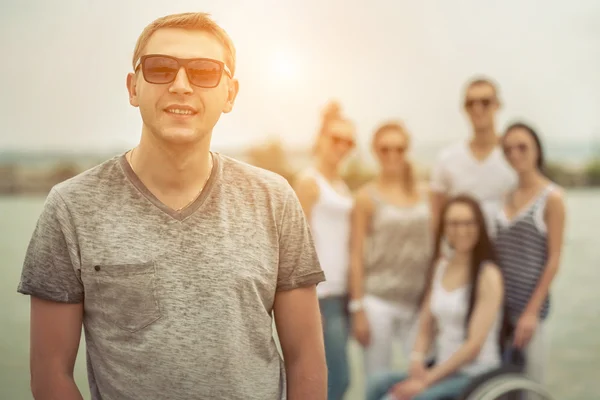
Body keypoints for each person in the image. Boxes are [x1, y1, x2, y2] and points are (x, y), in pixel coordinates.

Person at [17, 12, 327, 400]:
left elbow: (307, 361)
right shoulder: (72, 207)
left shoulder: (274, 199)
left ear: (230, 93)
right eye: (160, 68)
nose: (181, 85)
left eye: (204, 72)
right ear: (133, 88)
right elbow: (50, 374)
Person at [366, 195, 505, 400]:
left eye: (468, 223)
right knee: (377, 383)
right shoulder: (441, 268)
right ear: (445, 228)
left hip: (473, 373)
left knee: (418, 398)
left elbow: (474, 346)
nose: (461, 230)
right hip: (439, 367)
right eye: (454, 223)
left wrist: (426, 381)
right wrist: (417, 360)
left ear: (479, 226)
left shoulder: (488, 274)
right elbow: (425, 326)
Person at [348, 122, 432, 379]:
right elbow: (355, 255)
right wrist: (358, 309)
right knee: (377, 381)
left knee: (422, 381)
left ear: (407, 150)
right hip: (378, 302)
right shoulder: (366, 197)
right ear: (375, 151)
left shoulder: (426, 194)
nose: (392, 155)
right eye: (385, 149)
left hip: (418, 304)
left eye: (399, 148)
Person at [495, 122, 566, 391]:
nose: (515, 154)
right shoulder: (505, 196)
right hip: (500, 312)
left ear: (537, 149)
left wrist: (531, 312)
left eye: (522, 147)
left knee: (532, 388)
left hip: (529, 314)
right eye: (508, 149)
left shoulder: (552, 198)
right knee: (503, 387)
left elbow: (554, 259)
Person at [293, 101, 355, 400]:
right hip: (322, 297)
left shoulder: (341, 184)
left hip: (343, 294)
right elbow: (294, 243)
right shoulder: (309, 182)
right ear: (321, 139)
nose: (342, 146)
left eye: (349, 141)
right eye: (336, 138)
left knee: (333, 380)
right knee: (336, 380)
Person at [429, 77, 517, 238]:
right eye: (471, 103)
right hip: (462, 256)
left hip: (507, 255)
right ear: (464, 108)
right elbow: (436, 218)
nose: (478, 109)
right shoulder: (446, 159)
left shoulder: (515, 157)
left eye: (485, 102)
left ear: (498, 105)